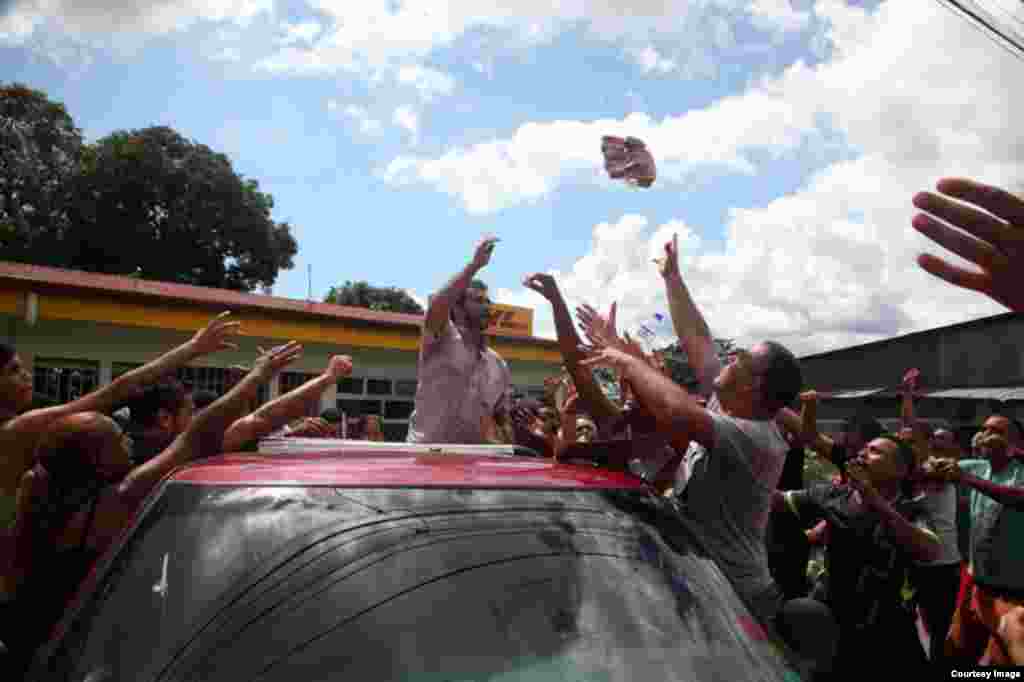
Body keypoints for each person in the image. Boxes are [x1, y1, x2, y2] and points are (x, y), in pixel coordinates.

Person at [0, 341, 303, 676]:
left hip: (22, 644)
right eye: (117, 440)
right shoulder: (112, 502)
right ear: (96, 461)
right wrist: (258, 375)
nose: (127, 441)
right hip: (68, 656)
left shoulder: (33, 494)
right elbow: (199, 434)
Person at [581, 232, 802, 629]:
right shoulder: (731, 402)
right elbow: (698, 339)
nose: (727, 359)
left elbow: (677, 412)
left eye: (739, 360)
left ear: (752, 386)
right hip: (711, 587)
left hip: (741, 600)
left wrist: (628, 362)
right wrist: (672, 279)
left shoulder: (755, 439)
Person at [772, 436, 939, 673]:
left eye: (875, 451)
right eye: (864, 449)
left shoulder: (911, 510)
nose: (862, 454)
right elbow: (777, 500)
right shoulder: (834, 495)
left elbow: (930, 551)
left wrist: (872, 497)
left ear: (900, 470)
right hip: (832, 624)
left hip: (887, 632)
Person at [928, 432, 1024, 664]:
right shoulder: (976, 466)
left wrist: (966, 478)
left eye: (998, 431)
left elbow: (1017, 497)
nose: (988, 435)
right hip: (976, 581)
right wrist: (932, 461)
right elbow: (928, 470)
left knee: (1004, 663)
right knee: (955, 654)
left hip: (1012, 592)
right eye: (986, 429)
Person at [406, 236, 512, 444]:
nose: (487, 307)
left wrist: (503, 446)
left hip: (472, 459)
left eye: (488, 301)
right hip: (426, 455)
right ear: (457, 306)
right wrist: (474, 266)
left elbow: (502, 419)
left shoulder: (498, 365)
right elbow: (437, 306)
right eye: (478, 300)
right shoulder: (442, 338)